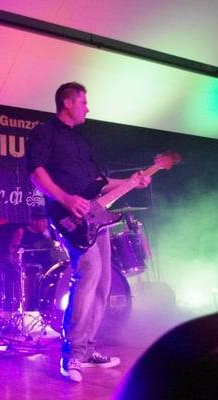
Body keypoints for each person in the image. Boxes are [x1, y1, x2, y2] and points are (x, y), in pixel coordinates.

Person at [27, 82, 151, 382]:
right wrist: (65, 198)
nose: (88, 108)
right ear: (67, 103)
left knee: (104, 282)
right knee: (89, 271)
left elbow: (99, 183)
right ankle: (71, 353)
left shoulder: (81, 141)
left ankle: (86, 349)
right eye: (83, 102)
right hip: (67, 216)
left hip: (96, 218)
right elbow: (36, 172)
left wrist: (131, 181)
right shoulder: (45, 132)